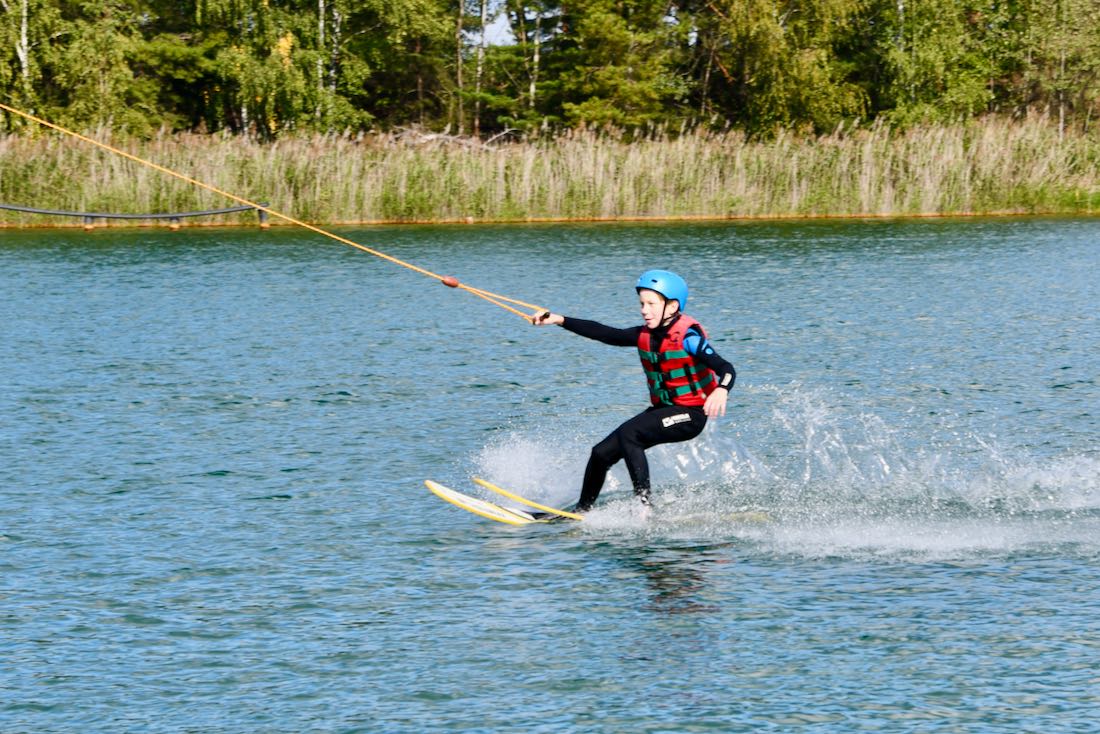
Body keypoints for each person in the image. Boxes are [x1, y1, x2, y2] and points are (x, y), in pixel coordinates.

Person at [533, 270, 736, 514]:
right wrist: (558, 320)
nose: (644, 310)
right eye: (642, 304)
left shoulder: (688, 338)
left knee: (631, 434)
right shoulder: (644, 335)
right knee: (601, 453)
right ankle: (582, 512)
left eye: (651, 304)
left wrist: (722, 389)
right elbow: (605, 333)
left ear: (672, 307)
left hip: (691, 415)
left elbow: (727, 368)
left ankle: (645, 508)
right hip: (663, 410)